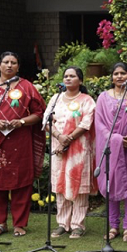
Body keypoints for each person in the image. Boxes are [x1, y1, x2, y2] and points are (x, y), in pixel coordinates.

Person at [0, 52, 45, 237]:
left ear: (18, 67)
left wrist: (21, 122)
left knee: (22, 183)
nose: (9, 65)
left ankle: (19, 224)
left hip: (20, 141)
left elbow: (39, 113)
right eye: (6, 62)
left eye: (14, 62)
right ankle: (0, 223)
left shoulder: (27, 87)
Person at [46, 66, 97, 239]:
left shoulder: (87, 100)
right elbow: (46, 121)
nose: (68, 79)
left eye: (72, 76)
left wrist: (68, 138)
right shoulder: (55, 99)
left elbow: (86, 123)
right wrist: (59, 137)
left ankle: (77, 224)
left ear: (80, 81)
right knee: (60, 186)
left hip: (79, 149)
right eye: (66, 76)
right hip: (58, 148)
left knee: (79, 186)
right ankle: (62, 223)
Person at [95, 62, 127, 242]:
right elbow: (98, 123)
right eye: (116, 74)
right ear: (112, 77)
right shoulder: (103, 97)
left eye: (123, 73)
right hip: (110, 149)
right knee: (111, 183)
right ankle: (113, 226)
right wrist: (115, 140)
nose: (119, 77)